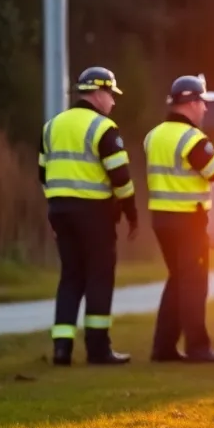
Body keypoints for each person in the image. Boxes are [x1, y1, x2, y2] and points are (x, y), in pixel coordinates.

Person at [40, 66, 139, 366]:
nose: (113, 102)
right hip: (94, 213)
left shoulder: (52, 126)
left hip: (60, 211)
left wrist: (56, 210)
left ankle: (62, 348)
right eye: (111, 94)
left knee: (70, 277)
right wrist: (131, 213)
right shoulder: (102, 128)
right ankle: (98, 349)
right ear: (97, 94)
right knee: (99, 276)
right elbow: (120, 176)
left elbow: (43, 173)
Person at [144, 75, 214, 363]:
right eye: (202, 103)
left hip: (161, 219)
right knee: (194, 284)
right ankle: (198, 347)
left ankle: (164, 348)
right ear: (192, 103)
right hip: (188, 222)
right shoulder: (192, 139)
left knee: (177, 281)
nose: (205, 109)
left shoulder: (154, 135)